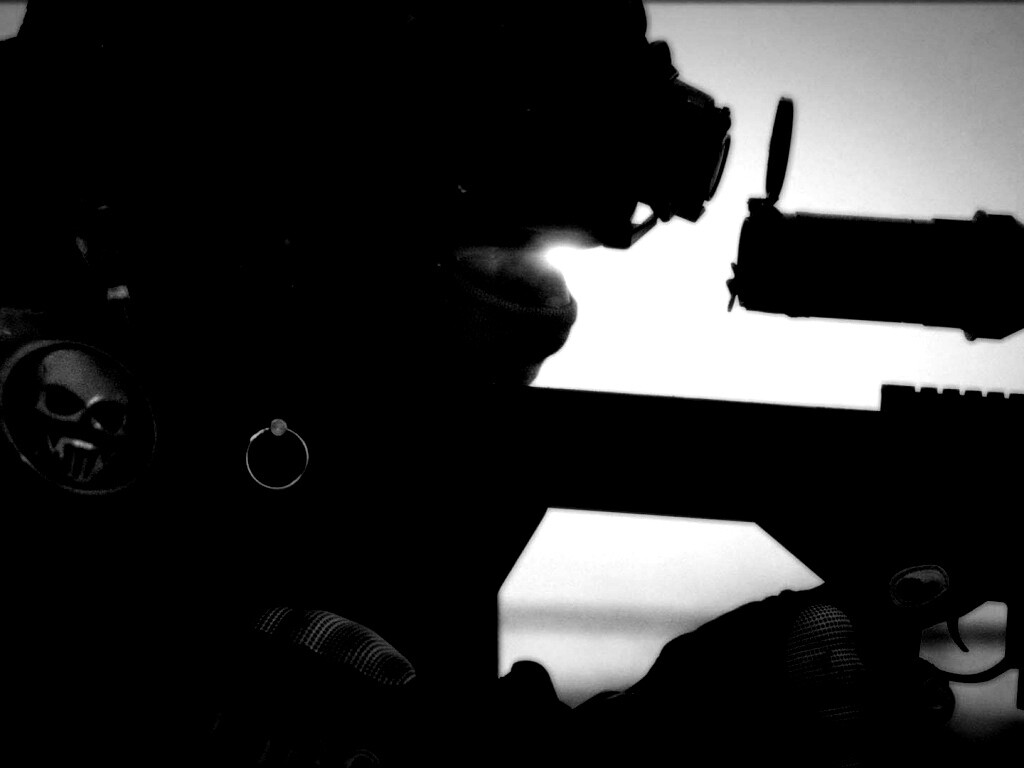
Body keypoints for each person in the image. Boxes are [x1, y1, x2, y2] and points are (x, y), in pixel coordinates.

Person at [1, 3, 954, 766]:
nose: (532, 319)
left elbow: (429, 739)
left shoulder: (316, 432)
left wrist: (716, 710)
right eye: (487, 251)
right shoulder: (101, 386)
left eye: (537, 267)